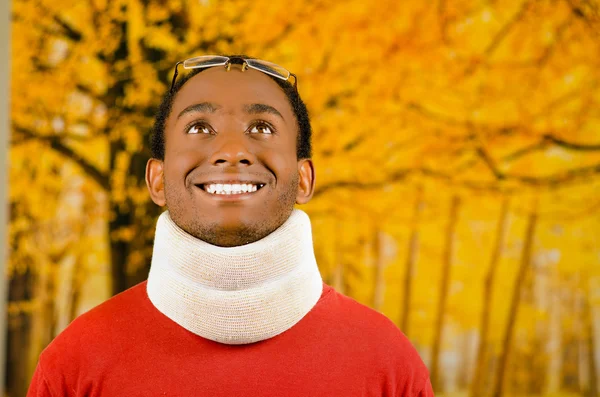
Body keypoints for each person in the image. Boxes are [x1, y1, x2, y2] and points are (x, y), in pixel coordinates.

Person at [27, 55, 434, 396]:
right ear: (156, 179)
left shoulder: (388, 365)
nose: (233, 151)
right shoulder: (74, 364)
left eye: (262, 128)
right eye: (199, 128)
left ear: (305, 177)